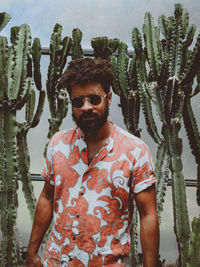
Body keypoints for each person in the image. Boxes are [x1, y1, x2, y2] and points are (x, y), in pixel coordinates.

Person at [26, 58, 159, 267]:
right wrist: (32, 251)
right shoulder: (57, 144)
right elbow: (47, 197)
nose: (86, 107)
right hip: (56, 261)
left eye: (94, 99)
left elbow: (148, 214)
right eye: (78, 101)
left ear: (109, 98)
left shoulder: (135, 151)